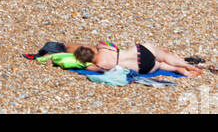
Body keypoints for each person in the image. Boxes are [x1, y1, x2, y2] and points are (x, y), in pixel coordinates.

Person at [68, 41, 202, 78]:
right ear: (90, 50)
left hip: (142, 67)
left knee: (163, 66)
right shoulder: (103, 48)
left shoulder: (100, 65)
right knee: (165, 56)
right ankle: (189, 66)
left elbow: (85, 68)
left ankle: (186, 73)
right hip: (139, 50)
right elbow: (103, 43)